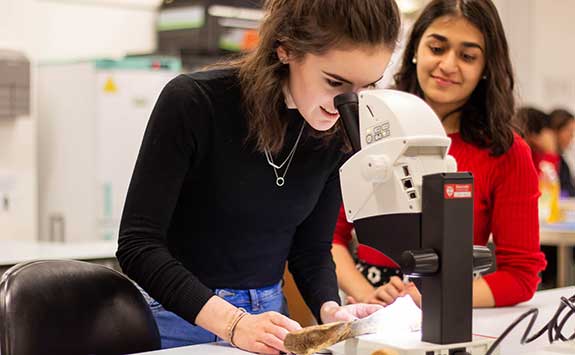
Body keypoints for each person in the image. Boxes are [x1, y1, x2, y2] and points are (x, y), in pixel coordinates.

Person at [116, 0, 401, 353]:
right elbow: (137, 246)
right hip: (177, 316)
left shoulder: (337, 127)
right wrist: (233, 323)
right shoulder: (195, 103)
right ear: (286, 50)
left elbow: (310, 250)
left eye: (366, 86)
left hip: (269, 320)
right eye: (335, 82)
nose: (348, 103)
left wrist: (331, 309)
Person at [332, 0, 547, 308]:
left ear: (486, 67)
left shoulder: (507, 152)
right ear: (415, 50)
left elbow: (521, 275)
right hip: (371, 309)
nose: (448, 65)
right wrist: (368, 295)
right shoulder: (366, 129)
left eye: (468, 56)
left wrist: (439, 295)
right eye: (436, 48)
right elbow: (330, 237)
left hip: (455, 309)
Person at [549, 109, 575, 197]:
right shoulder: (540, 159)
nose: (571, 136)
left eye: (572, 132)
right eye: (568, 130)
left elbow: (569, 190)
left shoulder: (562, 162)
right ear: (555, 130)